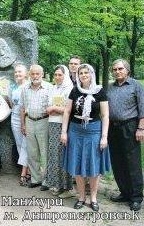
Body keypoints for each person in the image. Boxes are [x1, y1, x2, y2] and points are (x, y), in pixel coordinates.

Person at [61, 64, 111, 212]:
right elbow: (67, 111)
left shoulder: (100, 91)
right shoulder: (75, 90)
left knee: (93, 166)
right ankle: (81, 197)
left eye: (86, 72)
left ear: (92, 74)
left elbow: (105, 115)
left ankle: (93, 198)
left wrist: (104, 136)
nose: (83, 75)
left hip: (94, 131)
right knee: (77, 165)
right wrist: (64, 132)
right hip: (75, 132)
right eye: (81, 73)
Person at [107, 59, 144, 211]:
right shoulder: (109, 88)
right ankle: (124, 193)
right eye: (115, 69)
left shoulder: (136, 86)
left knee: (132, 163)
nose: (117, 71)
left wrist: (141, 128)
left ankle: (136, 197)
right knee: (117, 162)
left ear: (127, 70)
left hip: (130, 127)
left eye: (120, 69)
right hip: (113, 129)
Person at [20, 64, 52, 190]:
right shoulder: (25, 88)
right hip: (29, 121)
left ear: (42, 74)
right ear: (29, 75)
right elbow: (22, 108)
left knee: (44, 152)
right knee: (32, 152)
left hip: (43, 121)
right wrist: (23, 124)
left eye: (37, 74)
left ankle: (46, 180)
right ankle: (35, 178)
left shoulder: (49, 88)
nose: (35, 76)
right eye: (32, 74)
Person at [45, 65, 73, 196]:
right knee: (53, 154)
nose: (57, 77)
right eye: (55, 74)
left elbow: (70, 109)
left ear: (65, 75)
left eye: (60, 75)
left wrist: (55, 108)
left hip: (63, 125)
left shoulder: (69, 89)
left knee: (61, 153)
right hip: (52, 123)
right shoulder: (53, 88)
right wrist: (53, 108)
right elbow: (47, 106)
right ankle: (55, 183)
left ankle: (65, 185)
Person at [9, 64, 29, 186]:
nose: (17, 74)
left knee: (26, 145)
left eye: (20, 72)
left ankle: (23, 173)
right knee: (19, 144)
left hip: (26, 119)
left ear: (25, 73)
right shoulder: (14, 87)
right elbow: (12, 103)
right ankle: (29, 171)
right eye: (16, 72)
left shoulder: (28, 86)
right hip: (14, 117)